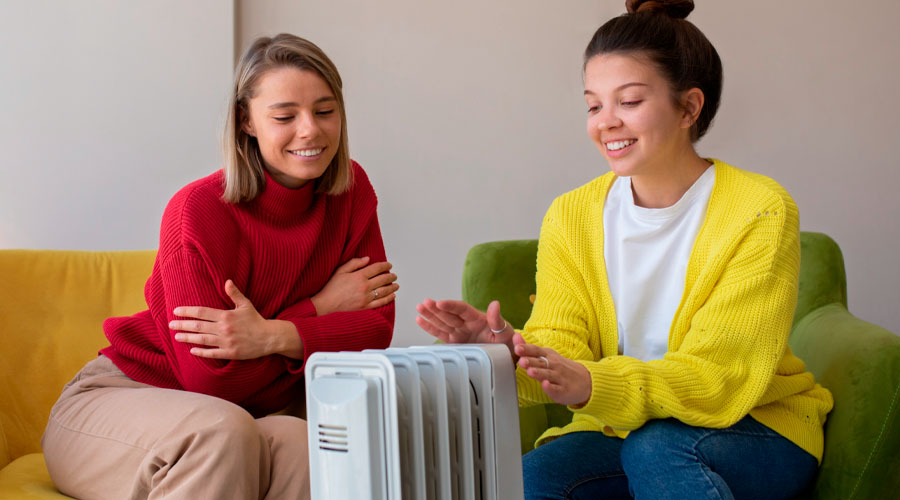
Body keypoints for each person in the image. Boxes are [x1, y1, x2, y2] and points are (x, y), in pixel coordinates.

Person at [416, 1, 833, 498]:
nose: (605, 122)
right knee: (536, 477)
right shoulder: (571, 214)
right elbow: (564, 348)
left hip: (755, 429)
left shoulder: (759, 209)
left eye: (629, 101)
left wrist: (594, 385)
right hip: (626, 429)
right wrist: (506, 353)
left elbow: (722, 377)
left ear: (688, 107)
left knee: (658, 448)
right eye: (594, 105)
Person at [41, 34, 398, 500]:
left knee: (305, 446)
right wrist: (321, 310)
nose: (310, 130)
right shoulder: (199, 210)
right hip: (117, 402)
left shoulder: (350, 194)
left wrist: (269, 336)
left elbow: (373, 329)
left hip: (240, 420)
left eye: (325, 111)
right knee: (221, 429)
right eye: (285, 116)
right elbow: (210, 379)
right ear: (246, 121)